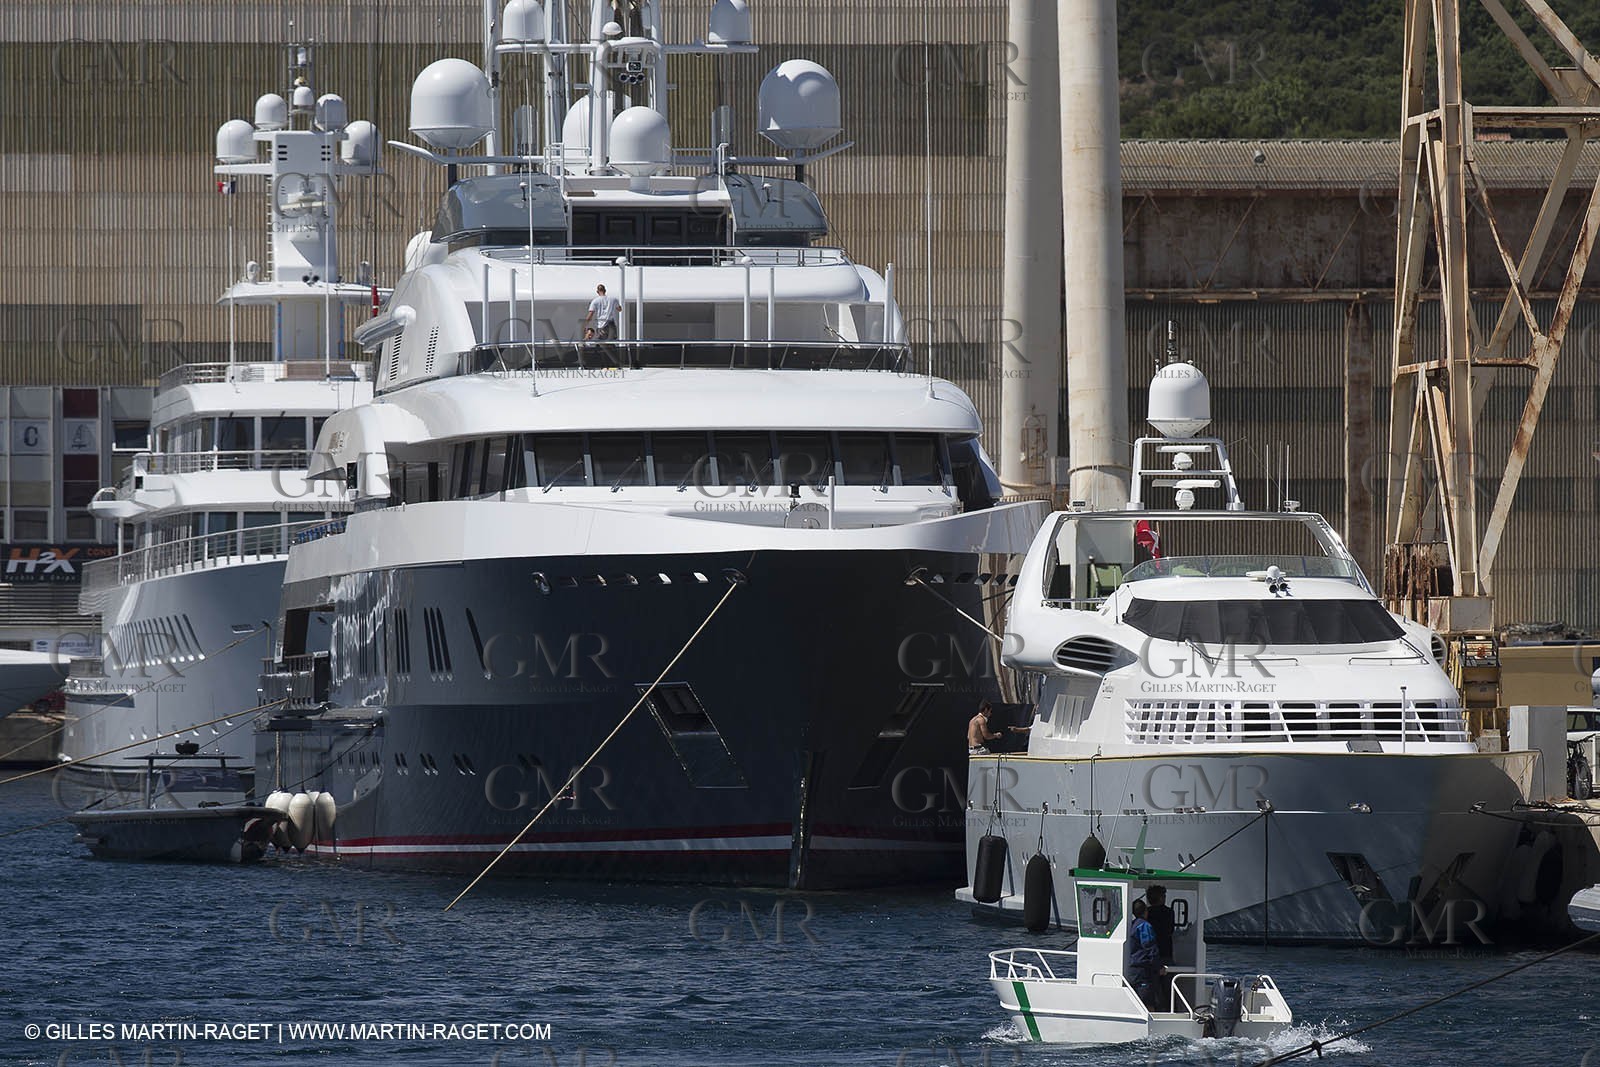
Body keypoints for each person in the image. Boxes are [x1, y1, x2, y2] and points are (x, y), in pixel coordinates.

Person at [1128, 899, 1164, 1008]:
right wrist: (1159, 967)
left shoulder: (1132, 925)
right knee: (1147, 1003)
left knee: (1137, 1002)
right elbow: (1150, 948)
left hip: (1133, 970)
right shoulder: (1144, 926)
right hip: (1144, 971)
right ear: (1146, 911)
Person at [1146, 884, 1176, 964]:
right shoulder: (1169, 912)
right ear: (1160, 898)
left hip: (1148, 953)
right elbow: (1170, 930)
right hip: (1165, 951)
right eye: (1164, 896)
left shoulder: (1146, 912)